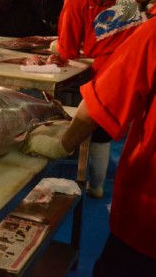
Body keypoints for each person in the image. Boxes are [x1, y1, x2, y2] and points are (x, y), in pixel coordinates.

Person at [22, 16, 156, 276]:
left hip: (148, 218)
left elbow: (69, 52)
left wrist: (62, 144)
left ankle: (93, 184)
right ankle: (96, 185)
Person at [51, 0, 142, 198]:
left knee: (98, 121)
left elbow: (67, 51)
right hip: (138, 61)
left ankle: (95, 185)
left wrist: (54, 46)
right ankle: (103, 185)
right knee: (139, 129)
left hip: (109, 69)